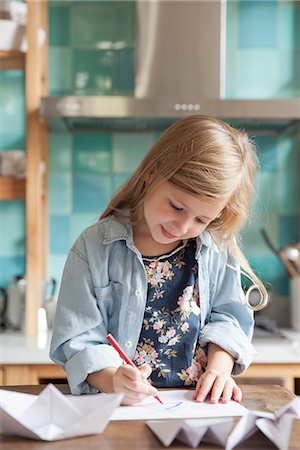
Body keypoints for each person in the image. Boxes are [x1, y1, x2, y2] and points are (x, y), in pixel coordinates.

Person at [50, 115, 268, 406]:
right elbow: (78, 342)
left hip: (196, 405)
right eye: (176, 206)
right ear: (151, 173)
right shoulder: (93, 248)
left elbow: (229, 318)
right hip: (122, 408)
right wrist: (114, 381)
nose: (182, 226)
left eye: (202, 219)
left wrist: (219, 370)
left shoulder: (216, 248)